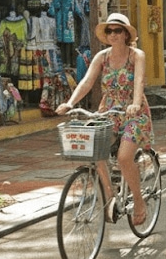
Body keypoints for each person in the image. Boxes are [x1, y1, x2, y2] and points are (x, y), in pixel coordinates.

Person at [55, 13, 153, 225]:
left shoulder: (137, 55)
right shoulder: (102, 57)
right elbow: (87, 82)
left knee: (124, 158)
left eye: (117, 30)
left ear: (126, 34)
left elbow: (139, 81)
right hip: (108, 112)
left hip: (133, 114)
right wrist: (70, 103)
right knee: (93, 146)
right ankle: (109, 195)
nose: (113, 34)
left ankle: (138, 201)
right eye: (109, 31)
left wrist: (135, 104)